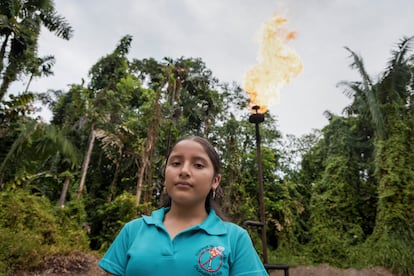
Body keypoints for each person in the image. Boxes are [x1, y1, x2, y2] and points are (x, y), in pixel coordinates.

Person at [98, 136, 268, 275]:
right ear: (165, 175)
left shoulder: (235, 239)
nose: (184, 171)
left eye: (198, 165)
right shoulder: (132, 231)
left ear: (215, 181)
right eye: (176, 163)